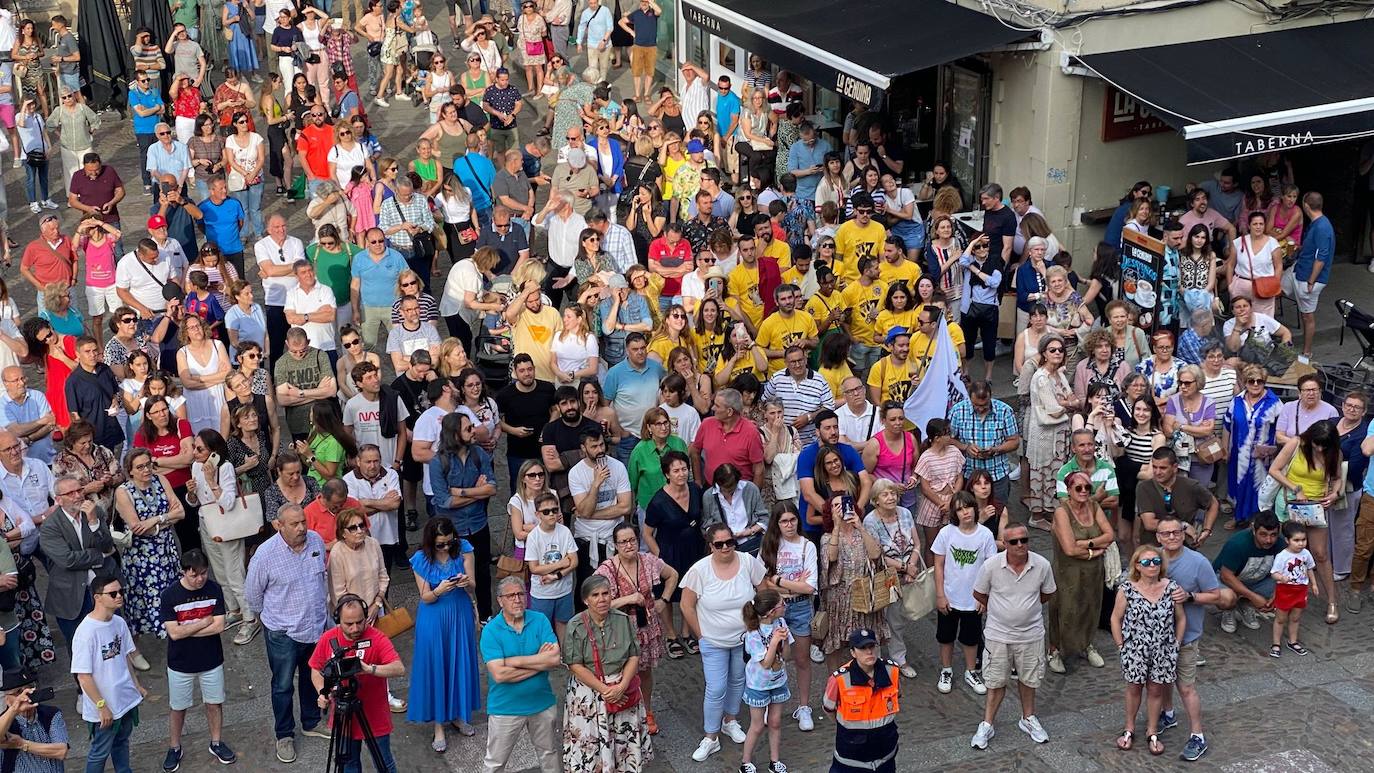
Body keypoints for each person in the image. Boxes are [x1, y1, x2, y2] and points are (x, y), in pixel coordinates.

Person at [243, 504, 330, 764]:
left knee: (311, 676)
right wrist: (272, 623)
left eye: (303, 521)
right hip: (283, 633)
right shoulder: (265, 555)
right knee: (282, 686)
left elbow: (322, 580)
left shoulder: (315, 541)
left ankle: (311, 721)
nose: (302, 528)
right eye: (294, 524)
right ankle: (284, 734)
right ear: (279, 525)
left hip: (315, 627)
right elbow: (252, 595)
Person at [680, 522, 765, 762]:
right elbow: (686, 605)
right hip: (713, 641)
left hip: (743, 639)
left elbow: (763, 588)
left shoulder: (748, 561)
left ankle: (730, 720)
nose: (726, 547)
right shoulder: (700, 570)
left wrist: (757, 624)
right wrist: (701, 636)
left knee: (738, 680)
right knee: (715, 687)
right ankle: (710, 736)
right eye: (720, 544)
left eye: (730, 542)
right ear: (711, 547)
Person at [969, 521, 1055, 750]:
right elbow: (979, 593)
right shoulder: (991, 566)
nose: (1020, 545)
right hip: (998, 634)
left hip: (1031, 634)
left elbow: (1047, 594)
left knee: (1029, 679)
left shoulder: (1042, 565)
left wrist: (1023, 611)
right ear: (1005, 544)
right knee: (995, 681)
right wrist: (1002, 611)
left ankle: (1028, 718)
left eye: (1024, 540)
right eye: (1014, 541)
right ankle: (987, 723)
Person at [1155, 512, 1233, 762]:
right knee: (1162, 680)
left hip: (1186, 637)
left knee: (1186, 686)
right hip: (1156, 637)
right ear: (1158, 537)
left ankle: (1197, 735)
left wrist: (1190, 597)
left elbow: (1215, 595)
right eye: (1166, 533)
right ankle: (1167, 714)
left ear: (1183, 533)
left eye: (1176, 532)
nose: (1172, 537)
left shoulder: (1198, 562)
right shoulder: (1151, 558)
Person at [594, 523, 678, 735]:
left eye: (632, 540)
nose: (629, 545)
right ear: (615, 545)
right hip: (619, 629)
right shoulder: (607, 570)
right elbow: (596, 602)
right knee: (620, 674)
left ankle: (647, 711)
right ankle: (621, 713)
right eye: (623, 542)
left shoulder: (647, 560)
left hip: (646, 627)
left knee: (645, 672)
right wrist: (629, 599)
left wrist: (664, 600)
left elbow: (673, 575)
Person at [561, 574, 652, 769]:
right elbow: (574, 664)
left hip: (622, 687)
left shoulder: (623, 620)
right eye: (595, 595)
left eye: (606, 593)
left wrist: (622, 685)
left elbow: (634, 655)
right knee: (591, 750)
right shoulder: (575, 625)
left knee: (623, 747)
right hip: (590, 691)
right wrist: (605, 690)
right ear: (586, 600)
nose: (602, 599)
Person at [308, 594, 406, 773]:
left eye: (360, 622)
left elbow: (399, 668)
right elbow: (315, 667)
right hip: (343, 714)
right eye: (348, 624)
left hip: (375, 715)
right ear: (338, 619)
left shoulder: (377, 638)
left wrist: (369, 669)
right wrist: (322, 692)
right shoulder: (329, 638)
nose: (355, 628)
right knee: (348, 765)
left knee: (384, 763)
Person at [407, 517, 482, 750]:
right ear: (431, 542)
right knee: (438, 666)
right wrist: (439, 589)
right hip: (434, 617)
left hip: (459, 613)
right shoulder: (421, 559)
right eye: (440, 544)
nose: (446, 547)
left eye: (449, 542)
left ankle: (459, 713)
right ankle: (439, 725)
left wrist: (465, 583)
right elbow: (426, 597)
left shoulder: (465, 549)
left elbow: (473, 586)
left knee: (459, 662)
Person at [159, 549, 235, 769]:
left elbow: (219, 626)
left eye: (203, 573)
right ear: (184, 572)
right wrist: (203, 623)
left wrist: (187, 628)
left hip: (211, 660)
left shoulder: (214, 589)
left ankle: (216, 741)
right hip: (180, 662)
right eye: (194, 575)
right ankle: (174, 746)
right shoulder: (170, 595)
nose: (200, 578)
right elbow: (174, 633)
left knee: (214, 703)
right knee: (178, 707)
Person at [480, 575, 563, 773]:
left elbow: (554, 659)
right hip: (505, 707)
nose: (517, 599)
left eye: (520, 594)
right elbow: (499, 675)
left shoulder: (540, 619)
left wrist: (514, 662)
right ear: (500, 600)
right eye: (511, 596)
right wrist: (538, 662)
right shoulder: (491, 631)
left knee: (549, 754)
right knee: (495, 763)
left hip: (541, 702)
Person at [1109, 544, 1184, 755]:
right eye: (1146, 562)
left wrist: (1175, 645)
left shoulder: (1171, 588)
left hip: (1163, 649)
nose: (1152, 565)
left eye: (1156, 561)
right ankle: (1129, 728)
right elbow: (1115, 619)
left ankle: (1152, 731)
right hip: (1135, 649)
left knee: (1156, 689)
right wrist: (1121, 646)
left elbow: (1181, 619)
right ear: (1137, 566)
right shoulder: (1127, 589)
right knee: (1134, 687)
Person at [72, 573, 148, 773]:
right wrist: (101, 706)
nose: (119, 596)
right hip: (104, 705)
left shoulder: (119, 622)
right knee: (100, 751)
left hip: (124, 699)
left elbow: (125, 657)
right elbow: (83, 676)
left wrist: (136, 685)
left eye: (121, 591)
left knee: (122, 742)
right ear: (97, 597)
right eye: (113, 593)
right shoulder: (86, 633)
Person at [1268, 420, 1342, 622]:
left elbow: (1337, 477)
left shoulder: (1334, 452)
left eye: (1323, 445)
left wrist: (1334, 493)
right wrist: (1295, 488)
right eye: (1316, 444)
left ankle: (1332, 601)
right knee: (1289, 552)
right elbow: (1274, 469)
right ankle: (1283, 598)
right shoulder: (1297, 444)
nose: (1319, 448)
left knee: (1320, 554)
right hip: (1292, 504)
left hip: (1316, 508)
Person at [1045, 470, 1114, 674]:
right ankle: (1055, 650)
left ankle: (1086, 644)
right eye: (1078, 488)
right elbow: (1069, 549)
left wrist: (1087, 543)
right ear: (1068, 490)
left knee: (1091, 606)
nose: (1084, 491)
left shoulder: (1093, 506)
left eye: (1087, 488)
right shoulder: (1061, 512)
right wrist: (1094, 552)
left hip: (1093, 571)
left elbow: (1110, 534)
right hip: (1068, 572)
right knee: (1064, 609)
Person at [112, 448, 184, 639]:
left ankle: (174, 633)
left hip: (166, 549)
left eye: (148, 464)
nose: (146, 470)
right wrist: (166, 520)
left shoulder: (161, 480)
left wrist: (155, 520)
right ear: (131, 470)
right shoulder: (123, 491)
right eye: (140, 467)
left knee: (171, 593)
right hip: (142, 556)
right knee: (147, 599)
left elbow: (181, 513)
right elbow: (138, 528)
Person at [40, 474, 118, 645]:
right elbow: (68, 560)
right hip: (71, 595)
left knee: (111, 639)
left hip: (101, 587)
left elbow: (107, 545)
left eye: (79, 490)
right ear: (59, 500)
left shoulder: (94, 512)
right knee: (80, 646)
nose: (78, 496)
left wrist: (93, 522)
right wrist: (99, 556)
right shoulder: (49, 527)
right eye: (71, 493)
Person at [931, 491, 997, 695]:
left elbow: (990, 567)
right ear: (954, 513)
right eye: (959, 509)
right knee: (945, 636)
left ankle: (971, 671)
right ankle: (946, 669)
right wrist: (940, 594)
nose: (965, 512)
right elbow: (939, 565)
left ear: (975, 508)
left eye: (967, 507)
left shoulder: (985, 534)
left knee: (971, 637)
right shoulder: (946, 533)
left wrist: (984, 597)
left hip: (973, 599)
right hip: (950, 596)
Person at [822, 627, 901, 773]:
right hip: (850, 759)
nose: (869, 652)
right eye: (862, 648)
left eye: (871, 647)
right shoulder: (839, 679)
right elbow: (828, 709)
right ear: (853, 653)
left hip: (885, 757)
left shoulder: (892, 671)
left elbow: (896, 696)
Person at [568, 428, 634, 591]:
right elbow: (584, 510)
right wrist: (596, 484)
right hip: (587, 539)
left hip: (613, 536)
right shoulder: (575, 473)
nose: (600, 450)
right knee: (588, 589)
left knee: (617, 588)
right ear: (583, 448)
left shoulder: (618, 467)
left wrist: (590, 514)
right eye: (594, 446)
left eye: (602, 445)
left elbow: (626, 506)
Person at [737, 587, 793, 773]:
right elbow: (766, 664)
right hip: (758, 685)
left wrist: (783, 642)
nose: (785, 605)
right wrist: (775, 641)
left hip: (778, 681)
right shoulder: (753, 634)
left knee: (775, 721)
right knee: (758, 725)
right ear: (770, 612)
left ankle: (774, 761)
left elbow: (787, 655)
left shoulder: (781, 622)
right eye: (781, 604)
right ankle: (746, 762)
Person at [1026, 334, 1075, 531]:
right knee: (1042, 472)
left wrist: (1066, 402)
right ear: (1044, 353)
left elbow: (1070, 397)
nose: (1057, 353)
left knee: (1057, 471)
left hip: (1060, 432)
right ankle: (1037, 515)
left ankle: (1052, 511)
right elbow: (1053, 409)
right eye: (1052, 350)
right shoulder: (1041, 378)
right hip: (1045, 434)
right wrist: (1068, 404)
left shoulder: (1059, 374)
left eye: (1060, 350)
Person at [1224, 364, 1281, 529]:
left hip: (1263, 457)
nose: (1255, 384)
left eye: (1260, 381)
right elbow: (1228, 426)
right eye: (1251, 381)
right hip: (1239, 454)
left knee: (1259, 488)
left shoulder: (1275, 403)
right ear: (1245, 382)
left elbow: (1281, 429)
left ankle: (1256, 521)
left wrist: (1273, 450)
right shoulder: (1236, 401)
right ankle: (1239, 516)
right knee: (1238, 484)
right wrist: (1225, 449)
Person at [949, 381, 1020, 505]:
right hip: (968, 474)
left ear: (990, 397)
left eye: (985, 405)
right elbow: (949, 440)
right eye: (976, 405)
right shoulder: (958, 411)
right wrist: (966, 447)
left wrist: (996, 450)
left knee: (998, 513)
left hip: (997, 474)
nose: (981, 409)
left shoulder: (1004, 411)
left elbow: (1014, 441)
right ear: (970, 398)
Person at [1214, 510, 1284, 633]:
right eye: (1263, 534)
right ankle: (1229, 610)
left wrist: (1275, 595)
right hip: (1224, 578)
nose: (1269, 540)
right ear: (1253, 530)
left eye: (1273, 535)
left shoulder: (1280, 543)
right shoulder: (1238, 544)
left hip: (1255, 580)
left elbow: (1285, 571)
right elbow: (1226, 576)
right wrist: (1253, 596)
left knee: (1287, 588)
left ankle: (1245, 604)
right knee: (1227, 599)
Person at [1283, 192, 1332, 362]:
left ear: (1305, 205)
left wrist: (1311, 280)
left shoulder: (1322, 227)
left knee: (1307, 316)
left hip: (1309, 279)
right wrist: (1300, 248)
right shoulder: (1316, 223)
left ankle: (1306, 354)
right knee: (1273, 291)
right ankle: (1273, 337)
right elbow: (1313, 249)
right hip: (1298, 270)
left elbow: (1321, 258)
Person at [0, 667, 69, 772]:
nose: (25, 695)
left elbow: (61, 751)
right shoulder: (5, 722)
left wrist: (21, 744)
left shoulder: (51, 714)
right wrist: (14, 709)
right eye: (18, 692)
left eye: (29, 688)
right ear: (7, 699)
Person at [1268, 520, 1317, 658]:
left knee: (1295, 617)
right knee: (1280, 618)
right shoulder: (1282, 556)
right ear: (1287, 540)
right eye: (1296, 540)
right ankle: (1276, 643)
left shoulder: (1306, 554)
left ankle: (1293, 641)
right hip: (1285, 590)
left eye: (1303, 540)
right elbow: (1274, 573)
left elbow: (1309, 569)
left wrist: (1313, 584)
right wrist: (1281, 578)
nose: (1301, 543)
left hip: (1301, 589)